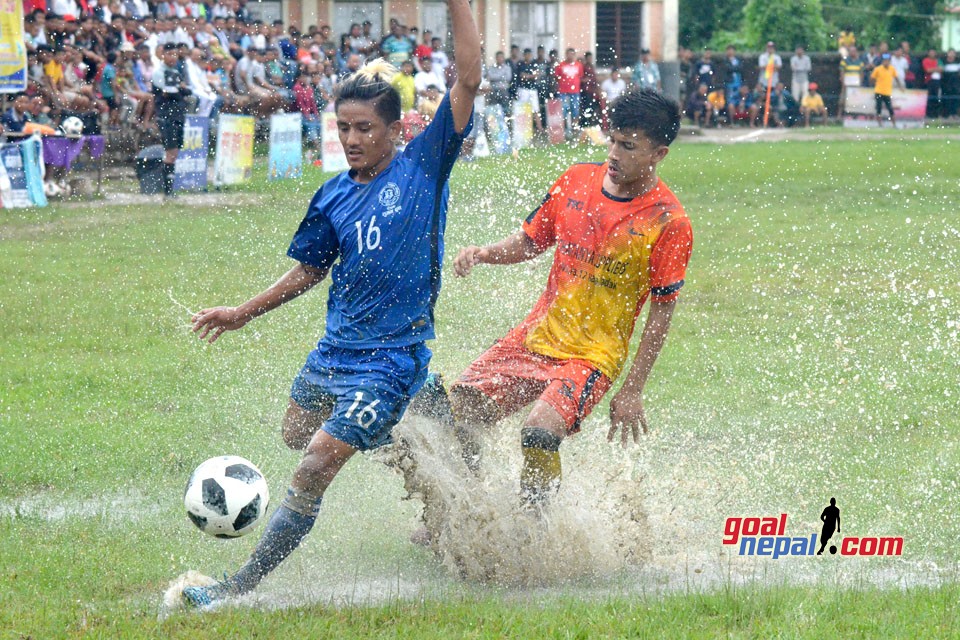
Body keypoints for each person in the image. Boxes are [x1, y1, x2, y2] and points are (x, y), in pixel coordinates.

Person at [180, 0, 480, 610]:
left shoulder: (425, 167)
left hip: (391, 357)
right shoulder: (334, 194)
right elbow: (310, 270)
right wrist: (241, 312)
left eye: (365, 128)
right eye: (343, 128)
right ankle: (409, 424)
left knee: (315, 464)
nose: (351, 140)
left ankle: (235, 588)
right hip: (333, 353)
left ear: (397, 130)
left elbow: (469, 77)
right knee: (295, 433)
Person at [448, 88, 692, 507]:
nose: (614, 153)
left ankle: (534, 531)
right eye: (612, 140)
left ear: (659, 153)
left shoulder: (669, 221)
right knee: (458, 412)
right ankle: (461, 512)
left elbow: (662, 311)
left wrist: (632, 390)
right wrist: (484, 254)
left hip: (591, 357)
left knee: (540, 431)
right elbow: (530, 242)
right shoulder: (576, 180)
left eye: (628, 146)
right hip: (535, 338)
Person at [152, 43, 188, 198]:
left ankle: (170, 189)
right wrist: (180, 90)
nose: (173, 57)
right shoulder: (159, 73)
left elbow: (184, 90)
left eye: (175, 54)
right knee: (170, 152)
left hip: (178, 115)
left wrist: (181, 90)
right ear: (163, 55)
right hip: (167, 115)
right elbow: (169, 93)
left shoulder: (176, 71)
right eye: (170, 54)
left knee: (175, 152)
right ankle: (167, 191)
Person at [871, 52, 901, 127]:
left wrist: (900, 86)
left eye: (887, 61)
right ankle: (880, 124)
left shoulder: (892, 69)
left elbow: (896, 78)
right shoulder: (878, 69)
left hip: (887, 92)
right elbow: (872, 78)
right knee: (879, 108)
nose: (886, 62)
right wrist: (875, 84)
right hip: (879, 91)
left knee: (890, 109)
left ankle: (894, 124)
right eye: (884, 61)